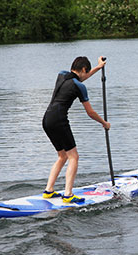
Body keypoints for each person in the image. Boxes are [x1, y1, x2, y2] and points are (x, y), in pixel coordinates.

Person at [42, 56, 110, 204]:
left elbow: (78, 79)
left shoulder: (62, 75)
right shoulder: (79, 86)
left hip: (46, 119)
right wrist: (104, 123)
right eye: (87, 72)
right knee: (74, 156)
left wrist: (98, 67)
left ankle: (49, 190)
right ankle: (68, 194)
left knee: (62, 156)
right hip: (59, 120)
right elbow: (90, 112)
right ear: (84, 69)